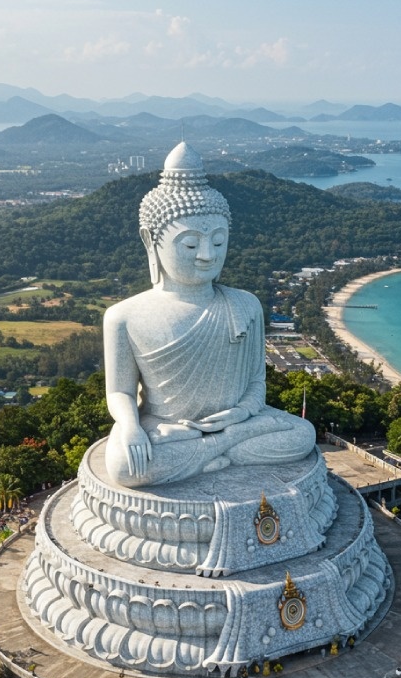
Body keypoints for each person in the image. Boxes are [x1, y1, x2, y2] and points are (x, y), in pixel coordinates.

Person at [102, 143, 317, 488]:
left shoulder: (245, 304)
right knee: (124, 466)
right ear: (150, 241)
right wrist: (130, 427)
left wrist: (241, 413)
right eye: (190, 245)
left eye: (218, 242)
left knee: (302, 434)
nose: (207, 255)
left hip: (233, 424)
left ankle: (214, 451)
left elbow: (256, 384)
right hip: (166, 425)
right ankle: (221, 453)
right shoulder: (124, 316)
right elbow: (120, 393)